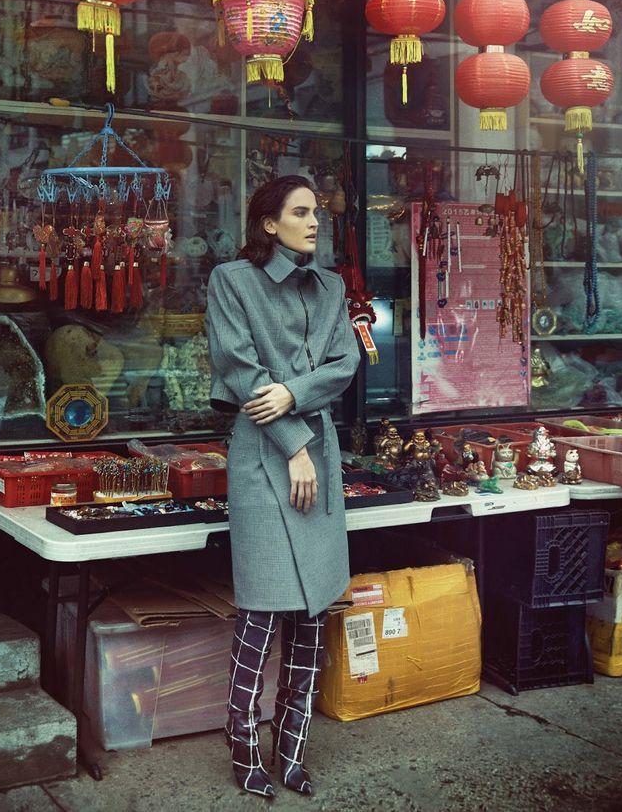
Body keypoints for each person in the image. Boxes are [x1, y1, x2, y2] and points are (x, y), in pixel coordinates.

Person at [205, 175, 360, 799]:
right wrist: (295, 444)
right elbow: (242, 370)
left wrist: (295, 394)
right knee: (262, 611)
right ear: (268, 223)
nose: (315, 221)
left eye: (317, 212)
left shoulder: (331, 288)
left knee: (312, 611)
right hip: (262, 454)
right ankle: (243, 747)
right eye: (301, 212)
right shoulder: (231, 281)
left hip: (317, 453)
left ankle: (292, 752)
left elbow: (343, 364)